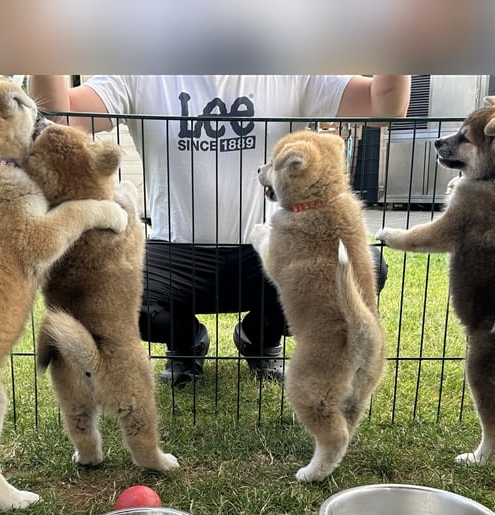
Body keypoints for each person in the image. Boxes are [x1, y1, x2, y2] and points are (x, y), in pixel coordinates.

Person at [29, 75, 411, 387]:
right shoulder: (141, 72)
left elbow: (386, 107)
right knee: (106, 291)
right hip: (175, 252)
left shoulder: (294, 71)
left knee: (361, 270)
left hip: (267, 248)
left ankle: (259, 339)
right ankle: (185, 340)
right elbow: (59, 115)